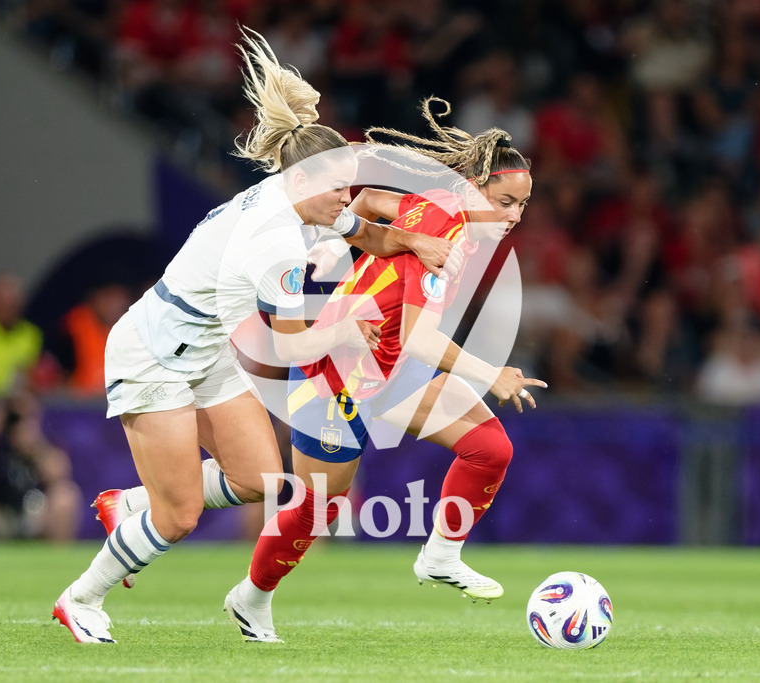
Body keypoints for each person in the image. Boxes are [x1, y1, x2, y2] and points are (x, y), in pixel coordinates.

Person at [51, 27, 457, 644]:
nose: (347, 200)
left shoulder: (300, 195)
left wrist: (412, 238)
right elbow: (286, 347)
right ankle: (82, 597)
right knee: (180, 514)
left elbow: (362, 227)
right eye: (339, 187)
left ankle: (128, 505)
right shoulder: (271, 247)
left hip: (206, 346)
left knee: (260, 483)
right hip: (155, 353)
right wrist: (347, 326)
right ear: (302, 182)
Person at [221, 98, 545, 643]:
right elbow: (420, 338)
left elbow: (369, 198)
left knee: (490, 449)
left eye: (522, 206)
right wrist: (493, 374)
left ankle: (440, 556)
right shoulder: (448, 231)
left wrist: (338, 244)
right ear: (474, 189)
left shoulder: (441, 204)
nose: (514, 216)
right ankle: (250, 597)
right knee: (316, 509)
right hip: (338, 373)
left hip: (390, 371)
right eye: (506, 201)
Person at [0, 391, 81, 546]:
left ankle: (60, 560)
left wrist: (35, 445)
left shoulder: (45, 437)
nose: (18, 421)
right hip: (2, 513)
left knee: (66, 496)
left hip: (37, 512)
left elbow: (59, 474)